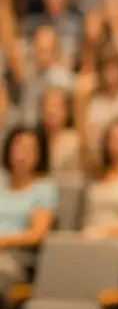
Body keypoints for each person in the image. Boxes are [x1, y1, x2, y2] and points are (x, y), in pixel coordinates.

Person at [0, 126, 57, 297]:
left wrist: (3, 241)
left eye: (28, 149)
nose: (21, 154)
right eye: (17, 147)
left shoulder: (44, 189)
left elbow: (38, 234)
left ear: (39, 155)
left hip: (16, 259)